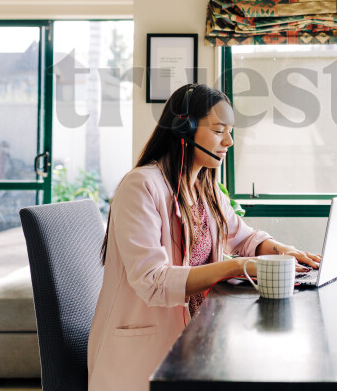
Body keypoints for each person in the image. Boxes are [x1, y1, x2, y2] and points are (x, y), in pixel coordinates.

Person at [87, 83, 320, 391]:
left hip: (198, 338)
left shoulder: (203, 187)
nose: (230, 141)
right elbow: (153, 282)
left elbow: (244, 237)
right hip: (145, 357)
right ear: (185, 130)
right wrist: (238, 267)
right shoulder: (140, 187)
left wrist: (283, 249)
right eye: (219, 130)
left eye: (231, 131)